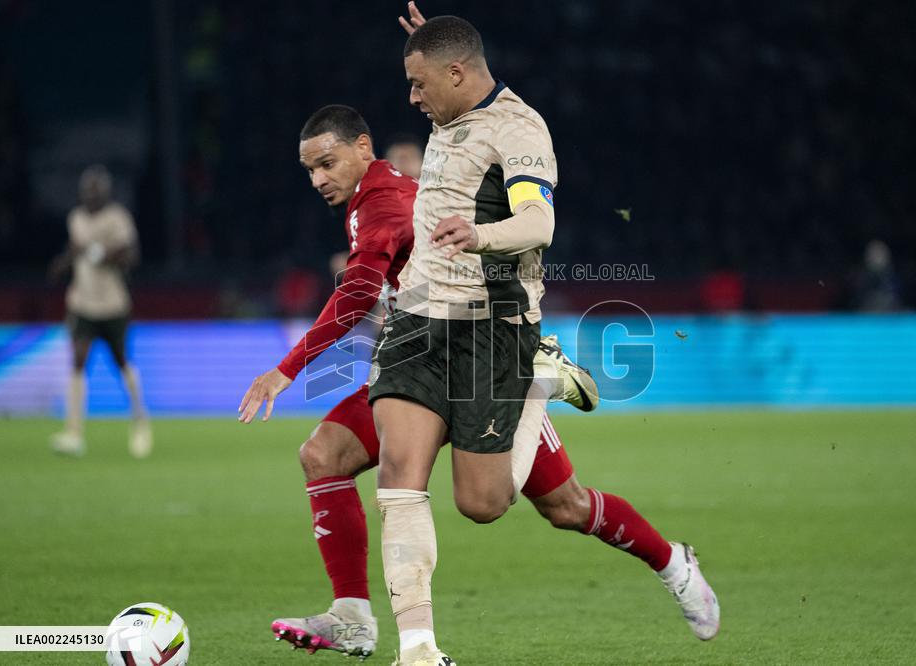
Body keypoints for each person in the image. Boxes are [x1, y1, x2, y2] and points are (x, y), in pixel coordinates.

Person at [237, 104, 716, 662]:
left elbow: (360, 288)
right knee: (324, 455)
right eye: (309, 170)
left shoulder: (383, 202)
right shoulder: (378, 196)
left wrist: (286, 369)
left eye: (326, 163)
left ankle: (672, 563)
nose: (318, 179)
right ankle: (354, 617)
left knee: (565, 505)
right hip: (420, 361)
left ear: (362, 148)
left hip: (480, 362)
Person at [367, 10, 718, 664]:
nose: (411, 99)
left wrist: (480, 235)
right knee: (399, 477)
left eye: (419, 83)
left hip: (493, 332)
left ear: (457, 73)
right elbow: (444, 61)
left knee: (493, 503)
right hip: (418, 319)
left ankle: (543, 386)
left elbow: (537, 222)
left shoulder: (520, 132)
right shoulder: (446, 108)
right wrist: (427, 39)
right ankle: (418, 650)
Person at [48, 165, 151, 458]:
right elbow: (74, 249)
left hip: (112, 303)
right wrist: (63, 263)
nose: (91, 197)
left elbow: (131, 255)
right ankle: (74, 432)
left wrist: (101, 254)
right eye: (87, 192)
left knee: (121, 362)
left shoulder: (117, 218)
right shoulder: (76, 218)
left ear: (106, 193)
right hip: (83, 301)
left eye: (96, 191)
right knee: (78, 360)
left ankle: (140, 422)